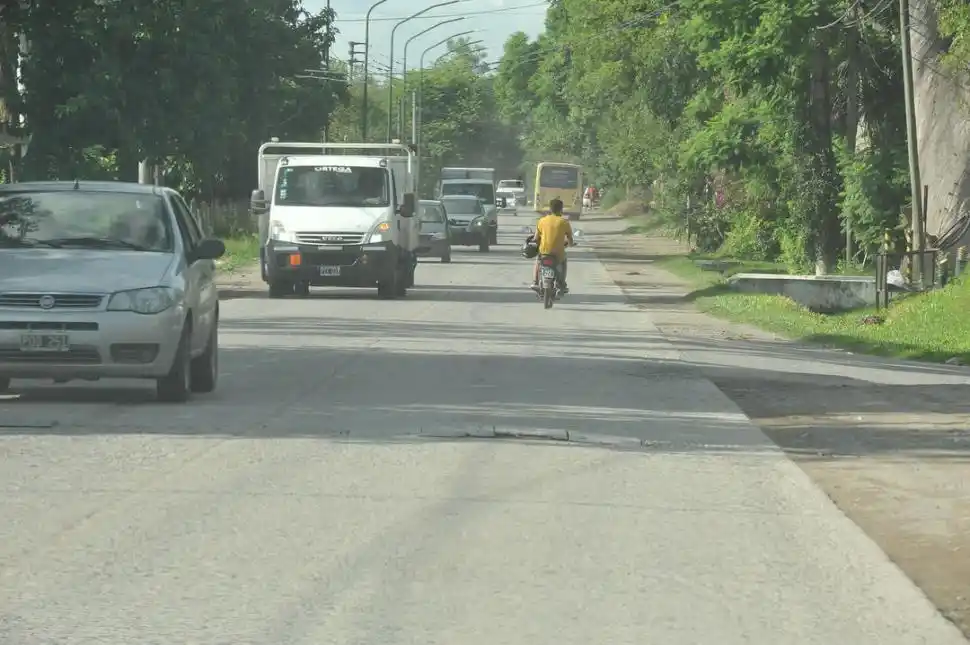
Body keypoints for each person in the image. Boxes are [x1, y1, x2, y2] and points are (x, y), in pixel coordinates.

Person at [530, 198, 574, 293]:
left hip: (544, 251)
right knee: (563, 262)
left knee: (538, 261)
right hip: (558, 253)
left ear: (550, 209)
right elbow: (570, 238)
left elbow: (536, 238)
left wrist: (533, 242)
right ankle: (562, 284)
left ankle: (535, 282)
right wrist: (570, 244)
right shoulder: (564, 222)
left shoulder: (542, 221)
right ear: (561, 209)